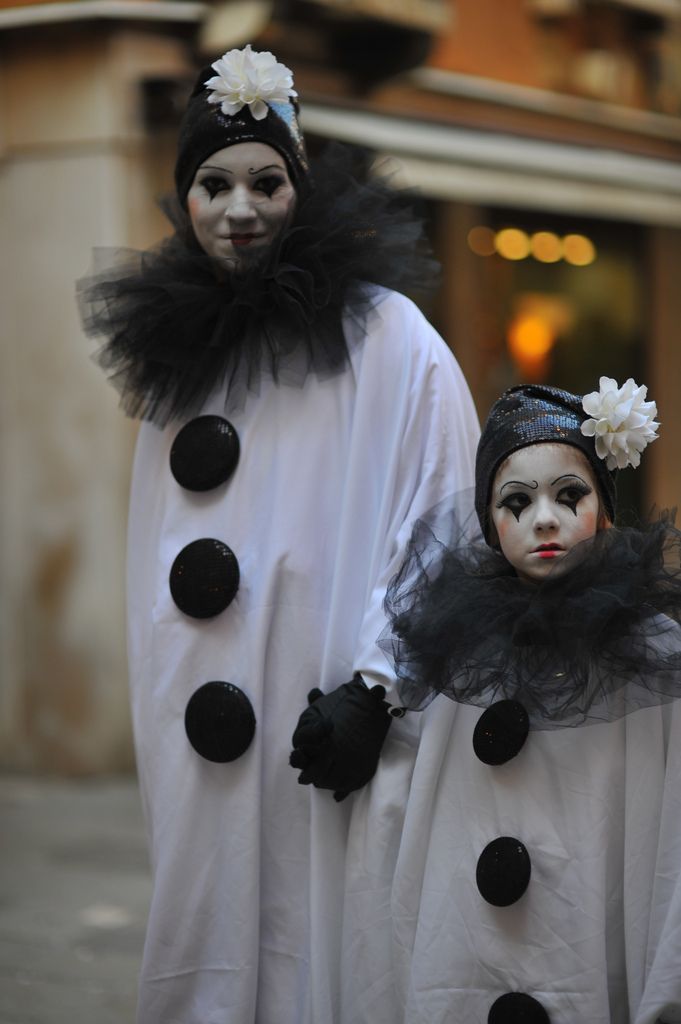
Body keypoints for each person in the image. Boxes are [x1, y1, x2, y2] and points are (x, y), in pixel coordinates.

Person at [78, 44, 479, 1023]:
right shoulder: (182, 363)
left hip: (336, 731)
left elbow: (442, 518)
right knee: (211, 931)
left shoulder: (390, 339)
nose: (240, 207)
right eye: (212, 184)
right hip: (212, 751)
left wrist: (380, 688)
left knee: (333, 943)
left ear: (300, 187)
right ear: (185, 200)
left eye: (265, 180)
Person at [375, 378, 681, 1023]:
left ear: (605, 506)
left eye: (570, 495)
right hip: (475, 954)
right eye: (518, 501)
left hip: (590, 936)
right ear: (491, 523)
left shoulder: (651, 655)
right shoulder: (460, 655)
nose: (545, 518)